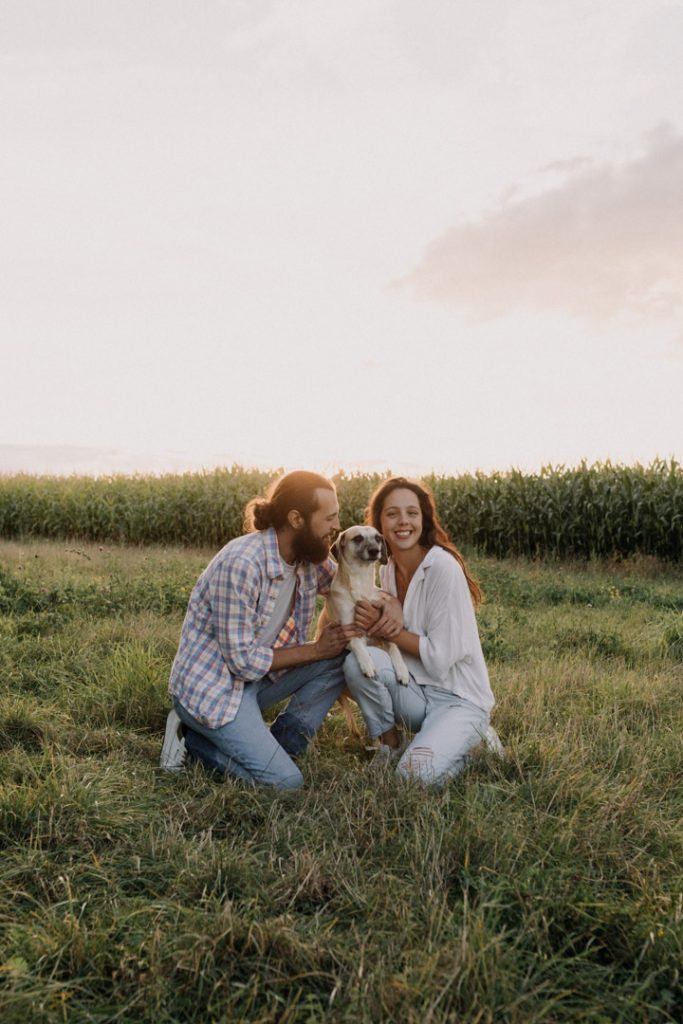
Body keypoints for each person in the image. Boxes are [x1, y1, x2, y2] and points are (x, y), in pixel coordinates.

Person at [159, 470, 357, 790]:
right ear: (296, 519)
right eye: (330, 518)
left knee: (339, 658)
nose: (336, 527)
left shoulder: (310, 557)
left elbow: (350, 588)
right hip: (213, 691)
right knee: (286, 784)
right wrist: (316, 649)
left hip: (258, 681)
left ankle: (285, 744)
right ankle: (193, 742)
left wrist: (387, 604)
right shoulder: (242, 563)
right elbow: (242, 663)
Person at [344, 476, 503, 785]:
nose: (403, 521)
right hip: (416, 692)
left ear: (423, 519)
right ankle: (391, 745)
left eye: (412, 513)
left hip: (458, 699)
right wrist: (386, 603)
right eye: (392, 513)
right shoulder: (386, 569)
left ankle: (475, 743)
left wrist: (389, 629)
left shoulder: (442, 568)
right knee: (356, 663)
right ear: (379, 523)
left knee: (411, 779)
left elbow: (441, 658)